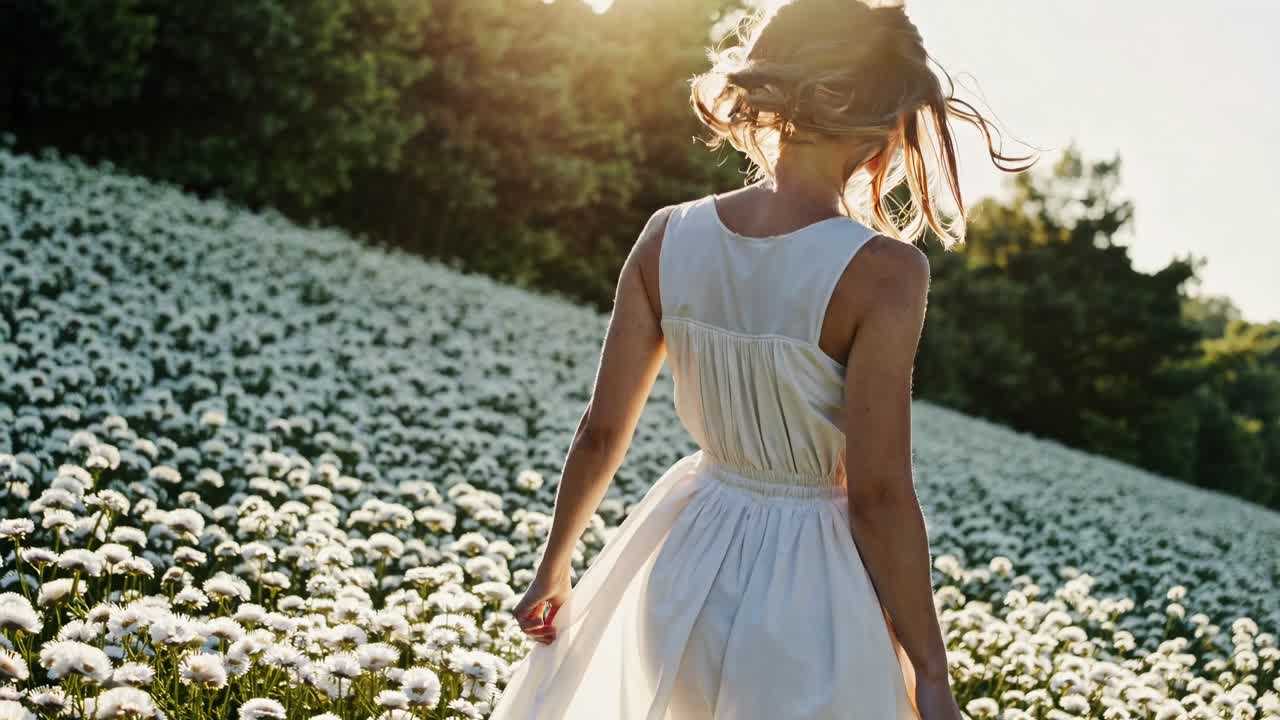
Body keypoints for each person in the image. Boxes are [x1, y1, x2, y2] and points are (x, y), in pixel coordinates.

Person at [489, 1, 1035, 718]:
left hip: (685, 555)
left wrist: (553, 565)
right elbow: (878, 495)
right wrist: (931, 670)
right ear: (880, 131)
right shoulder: (886, 273)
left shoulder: (666, 236)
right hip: (811, 583)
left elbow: (600, 431)